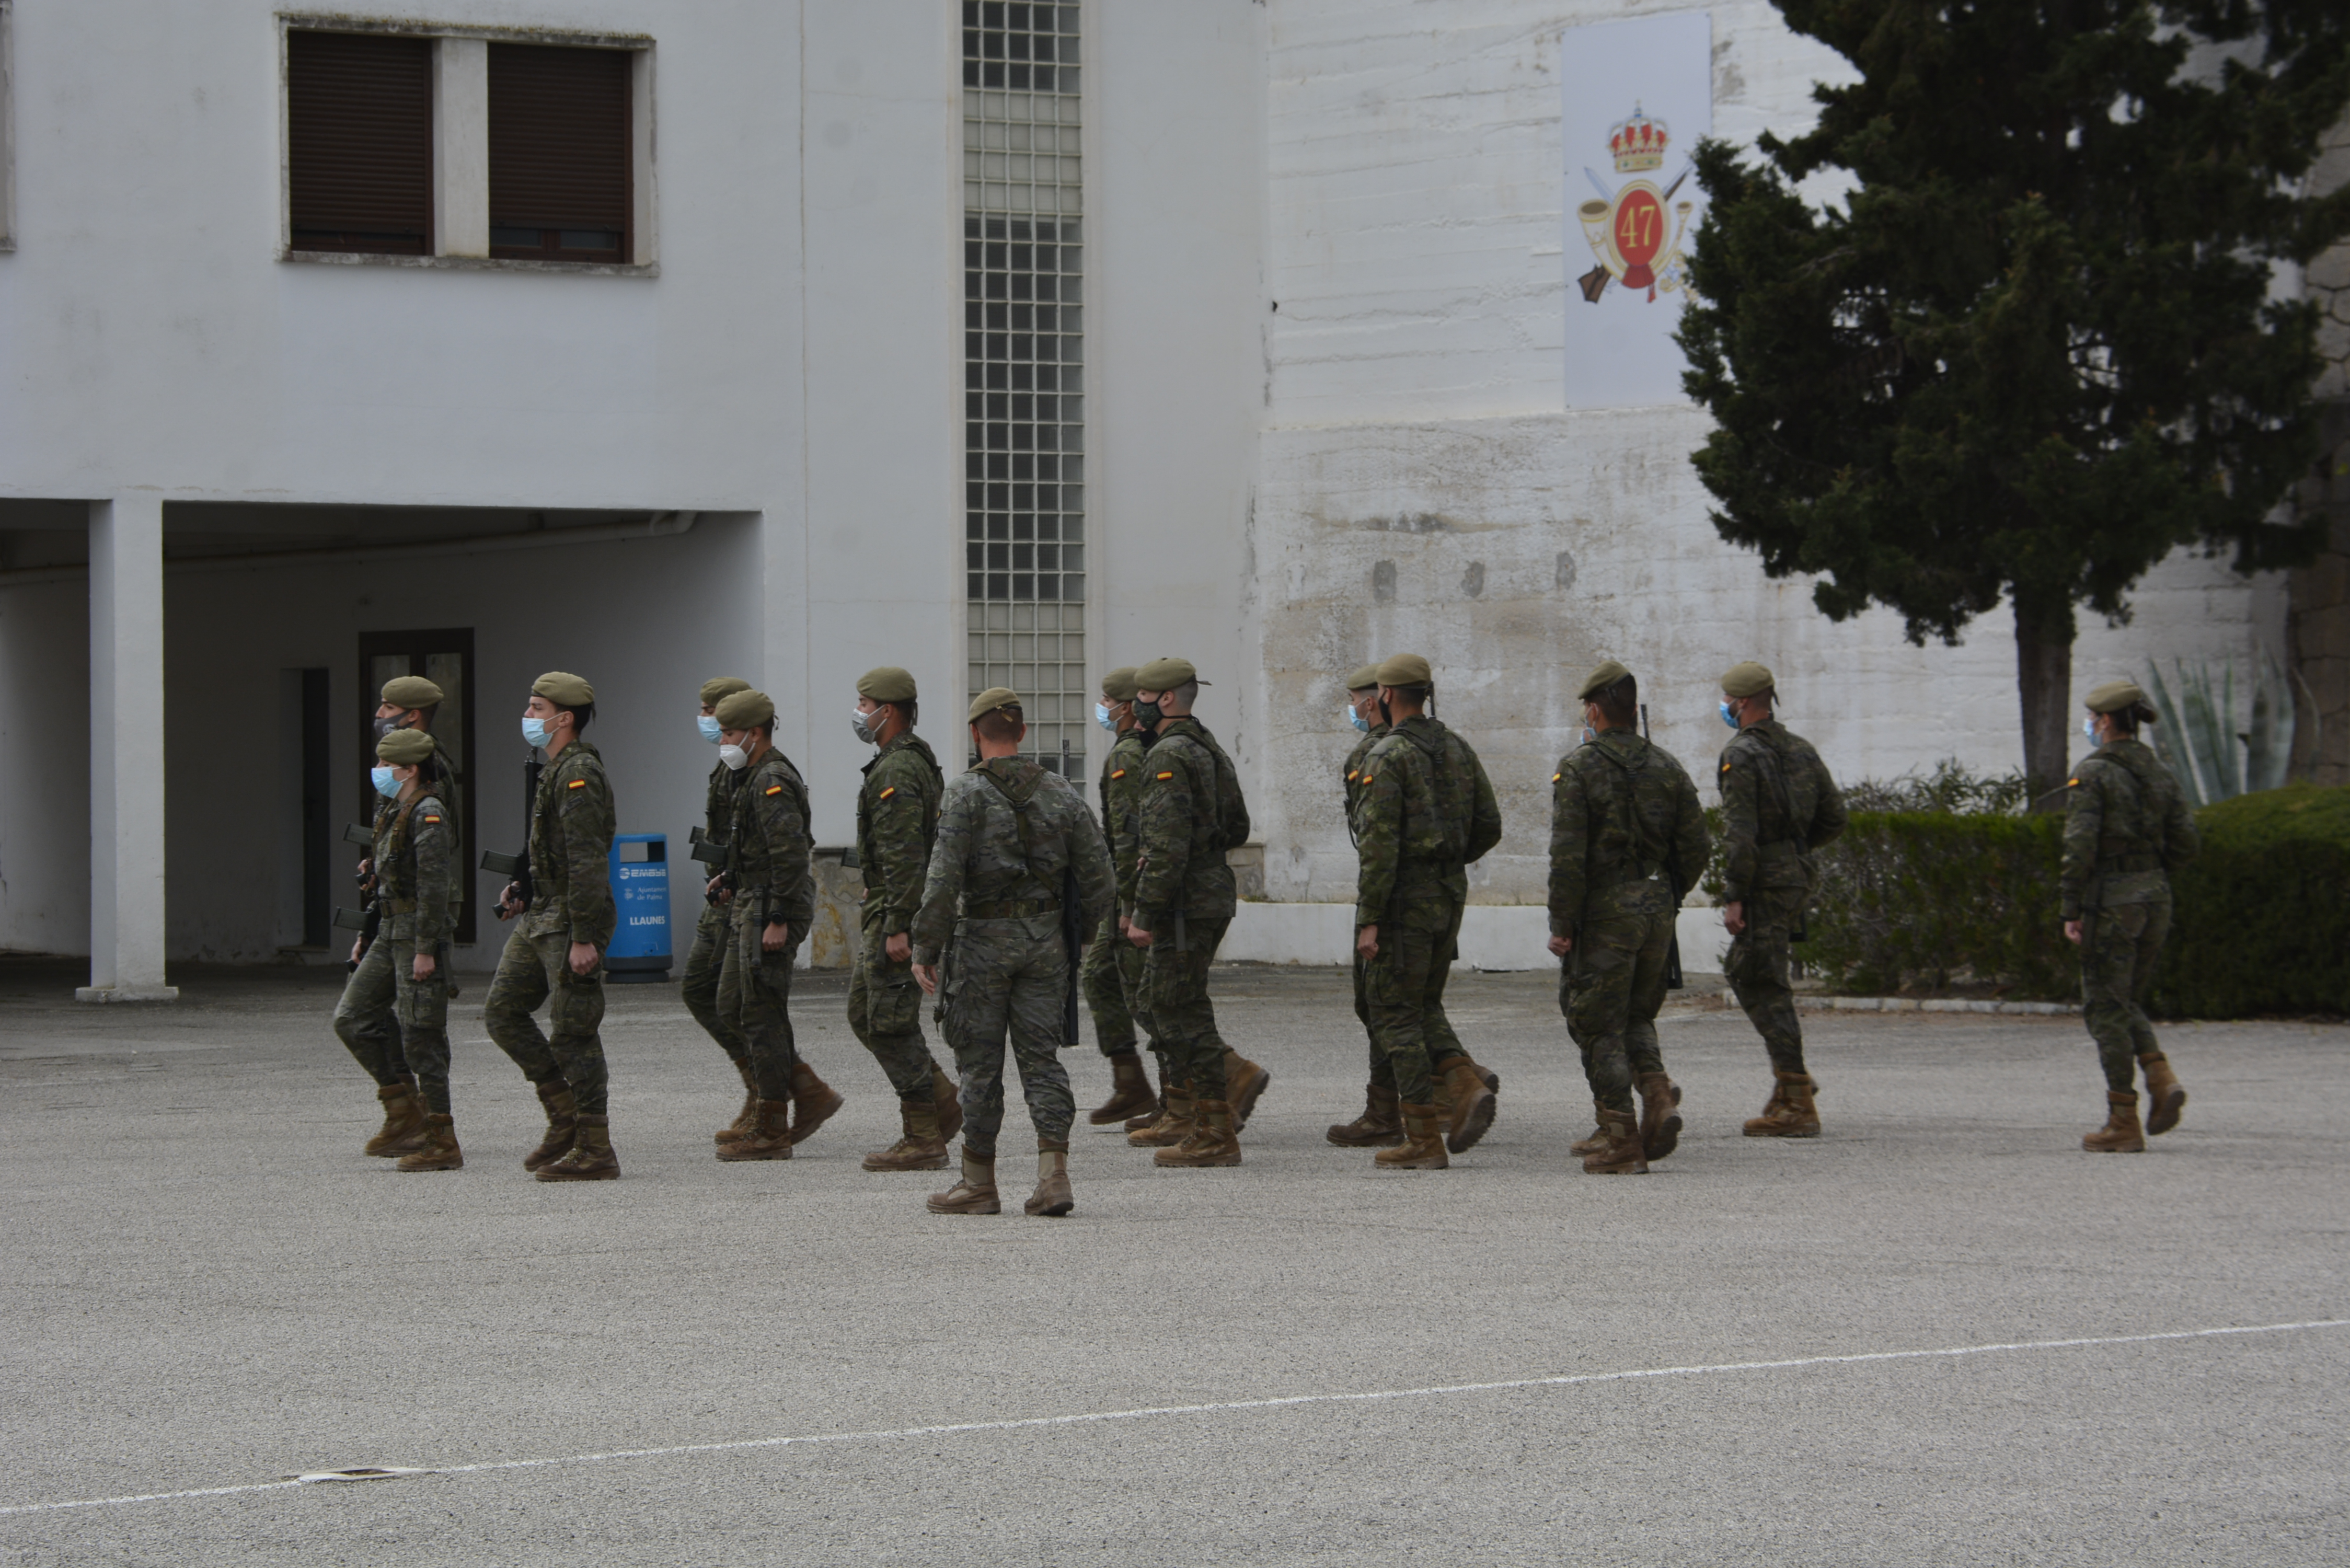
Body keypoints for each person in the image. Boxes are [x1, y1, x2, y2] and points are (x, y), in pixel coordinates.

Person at [911, 688, 1116, 1216]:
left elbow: (942, 880)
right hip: (1046, 945)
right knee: (1041, 1061)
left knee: (979, 1067)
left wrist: (925, 946)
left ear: (974, 734)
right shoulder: (1061, 793)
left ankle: (978, 1181)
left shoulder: (964, 794)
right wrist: (1080, 938)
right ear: (1022, 733)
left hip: (980, 943)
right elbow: (1100, 880)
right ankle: (1054, 1176)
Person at [1326, 665, 1506, 1148]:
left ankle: (1447, 1097)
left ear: (1384, 695)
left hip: (1402, 898)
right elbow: (1489, 825)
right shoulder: (1457, 747)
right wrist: (1445, 857)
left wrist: (1370, 919)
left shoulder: (1386, 755)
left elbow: (1378, 848)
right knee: (1416, 1001)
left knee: (1393, 1008)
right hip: (1448, 893)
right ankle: (1403, 1105)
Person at [1548, 661, 1710, 1175]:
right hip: (1655, 904)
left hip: (1604, 911)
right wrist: (1668, 895)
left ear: (1594, 711)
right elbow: (1696, 846)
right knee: (1636, 1014)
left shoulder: (1578, 768)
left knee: (1596, 1024)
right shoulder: (1666, 766)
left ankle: (1620, 1140)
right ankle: (1657, 1094)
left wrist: (1561, 923)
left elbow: (1568, 855)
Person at [1125, 657, 1266, 1167]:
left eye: (1142, 694)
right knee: (1166, 1002)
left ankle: (1215, 1129)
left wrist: (1144, 911)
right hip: (1206, 892)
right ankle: (1195, 1115)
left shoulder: (1169, 754)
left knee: (1178, 1010)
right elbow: (1237, 826)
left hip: (1184, 903)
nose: (1135, 703)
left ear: (1164, 700)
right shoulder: (1207, 746)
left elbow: (1165, 847)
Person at [484, 672, 621, 1181]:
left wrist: (584, 935)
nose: (528, 717)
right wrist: (522, 885)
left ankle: (595, 1148)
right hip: (544, 911)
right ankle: (562, 1113)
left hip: (570, 917)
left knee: (574, 1030)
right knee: (502, 1012)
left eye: (537, 709)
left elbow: (587, 859)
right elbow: (549, 846)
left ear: (565, 719)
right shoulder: (555, 769)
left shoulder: (578, 774)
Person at [2063, 679, 2199, 1152]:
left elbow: (2078, 848)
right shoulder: (2160, 773)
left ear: (2104, 722)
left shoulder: (2095, 773)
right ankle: (2161, 1079)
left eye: (2092, 719)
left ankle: (2123, 1119)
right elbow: (2186, 845)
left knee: (2105, 1008)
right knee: (2125, 999)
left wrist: (2070, 908)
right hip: (2156, 897)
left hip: (2113, 902)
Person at [708, 687, 843, 1161]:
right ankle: (800, 1093)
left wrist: (780, 918)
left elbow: (790, 855)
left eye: (729, 732)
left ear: (754, 733)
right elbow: (758, 849)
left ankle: (772, 1126)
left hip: (772, 907)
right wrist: (730, 877)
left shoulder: (772, 780)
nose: (722, 740)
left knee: (761, 1013)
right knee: (731, 1004)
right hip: (754, 899)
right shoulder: (750, 774)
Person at [1715, 660, 1847, 1138]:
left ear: (1744, 703)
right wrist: (1795, 850)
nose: (1725, 706)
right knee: (1756, 973)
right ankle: (1791, 1083)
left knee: (1761, 979)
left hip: (1764, 883)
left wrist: (1735, 896)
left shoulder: (1742, 754)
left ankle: (1795, 1093)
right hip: (1793, 875)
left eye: (1729, 699)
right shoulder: (1801, 749)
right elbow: (1834, 817)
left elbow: (1739, 832)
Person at [336, 673, 460, 1153]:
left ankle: (435, 1127)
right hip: (391, 917)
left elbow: (432, 863)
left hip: (417, 921)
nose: (378, 717)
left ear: (411, 716)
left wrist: (428, 944)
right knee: (355, 1016)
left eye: (387, 710)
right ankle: (406, 1109)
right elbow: (393, 843)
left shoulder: (430, 776)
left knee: (422, 1027)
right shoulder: (400, 777)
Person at [846, 666, 963, 1172]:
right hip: (888, 908)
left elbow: (905, 856)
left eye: (864, 703)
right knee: (864, 1014)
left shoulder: (896, 769)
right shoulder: (901, 761)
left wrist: (899, 925)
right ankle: (941, 1102)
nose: (858, 712)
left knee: (889, 1022)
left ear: (886, 711)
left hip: (896, 914)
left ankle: (923, 1135)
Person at [1079, 666, 1164, 1130]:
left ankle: (1221, 1080)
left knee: (1150, 998)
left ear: (1126, 706)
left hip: (1132, 893)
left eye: (1108, 701)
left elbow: (1131, 837)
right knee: (1101, 978)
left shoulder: (1129, 757)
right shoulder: (1134, 749)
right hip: (1124, 891)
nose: (1103, 709)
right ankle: (1131, 1084)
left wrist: (1130, 907)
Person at [685, 676, 759, 1147]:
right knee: (698, 989)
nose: (705, 719)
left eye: (711, 710)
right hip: (723, 893)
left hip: (744, 898)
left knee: (742, 1003)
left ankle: (774, 1091)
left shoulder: (754, 769)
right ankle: (766, 1084)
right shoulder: (724, 767)